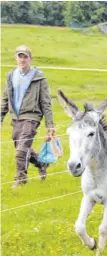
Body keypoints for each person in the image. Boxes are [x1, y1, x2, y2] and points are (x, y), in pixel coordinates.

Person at [1, 45, 55, 188]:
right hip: (16, 118)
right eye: (20, 56)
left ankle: (20, 179)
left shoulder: (39, 77)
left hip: (32, 117)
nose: (22, 59)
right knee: (22, 148)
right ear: (16, 58)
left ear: (30, 59)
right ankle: (41, 163)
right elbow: (5, 99)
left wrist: (50, 125)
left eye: (25, 56)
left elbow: (46, 102)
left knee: (20, 151)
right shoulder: (11, 76)